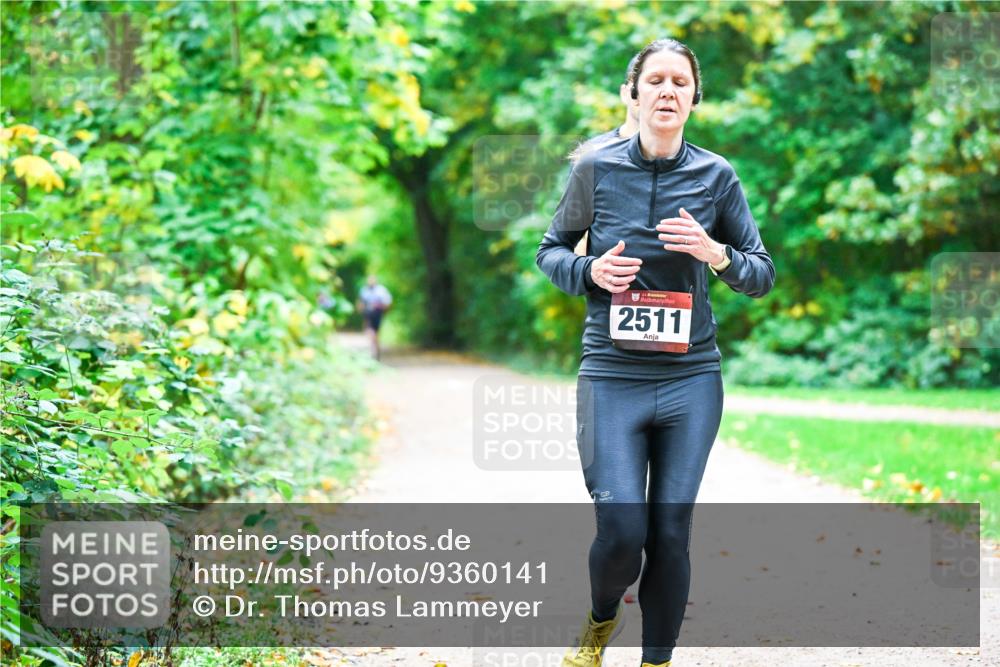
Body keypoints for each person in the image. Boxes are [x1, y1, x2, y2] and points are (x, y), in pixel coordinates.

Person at [536, 38, 775, 667]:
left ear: (695, 98)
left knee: (670, 532)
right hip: (612, 374)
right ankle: (600, 621)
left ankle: (656, 662)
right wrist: (590, 272)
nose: (668, 91)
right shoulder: (595, 168)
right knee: (622, 531)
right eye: (656, 81)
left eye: (680, 82)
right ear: (634, 94)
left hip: (691, 375)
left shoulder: (717, 176)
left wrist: (715, 253)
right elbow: (550, 250)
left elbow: (760, 273)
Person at [356, 275, 392, 360]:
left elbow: (387, 302)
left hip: (377, 313)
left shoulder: (381, 290)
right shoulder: (364, 290)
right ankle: (373, 348)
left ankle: (376, 347)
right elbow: (360, 302)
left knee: (376, 332)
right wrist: (361, 310)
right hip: (368, 313)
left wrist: (383, 311)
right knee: (370, 330)